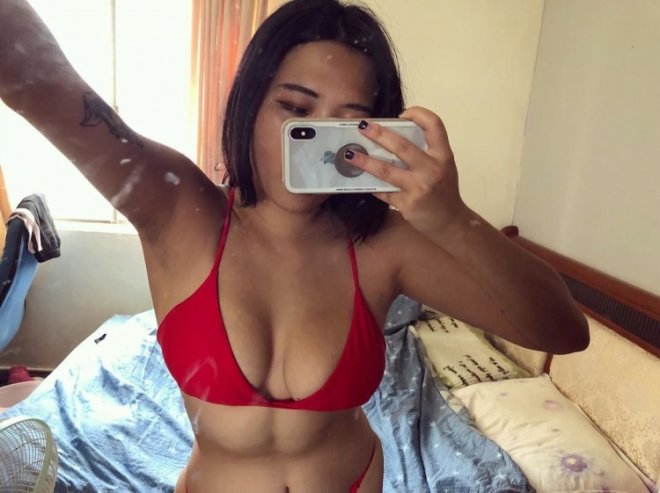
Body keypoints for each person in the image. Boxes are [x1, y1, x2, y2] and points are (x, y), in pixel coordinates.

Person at [0, 0, 589, 491]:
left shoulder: (386, 244)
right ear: (251, 105)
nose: (318, 144)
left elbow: (564, 332)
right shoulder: (177, 209)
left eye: (348, 123)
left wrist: (452, 218)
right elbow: (43, 83)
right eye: (295, 110)